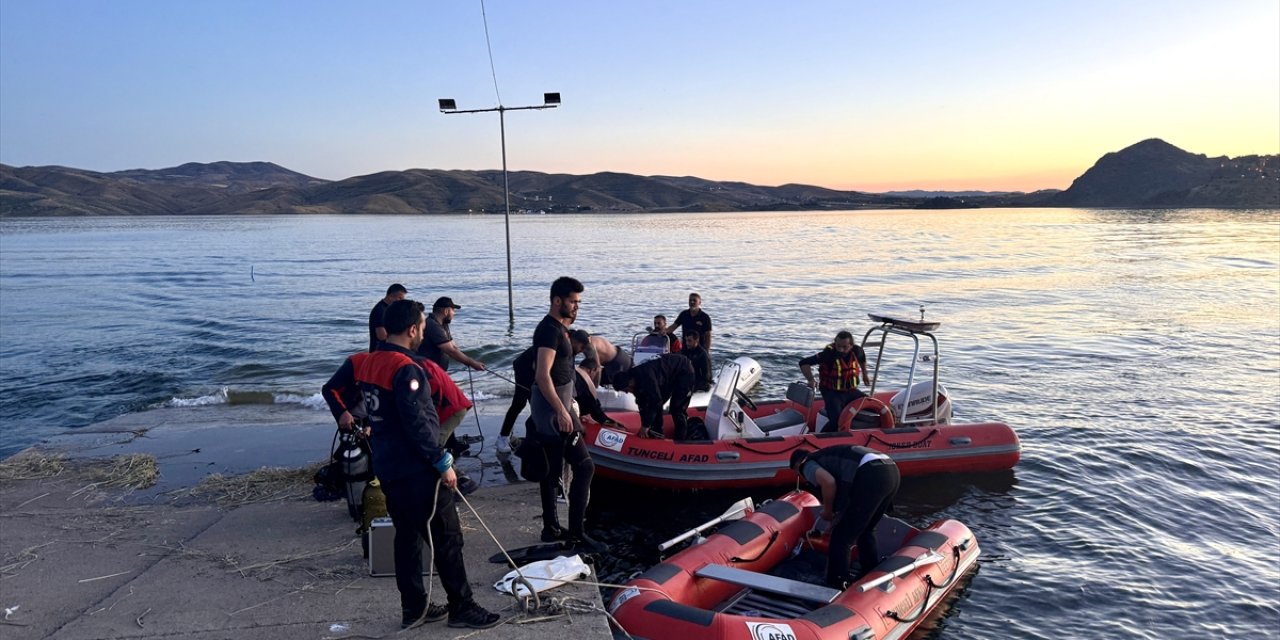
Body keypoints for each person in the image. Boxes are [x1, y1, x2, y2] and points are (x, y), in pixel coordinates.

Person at [322, 299, 499, 630]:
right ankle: (462, 607)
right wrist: (442, 461)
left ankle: (414, 608)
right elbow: (417, 422)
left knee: (407, 538)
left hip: (387, 465)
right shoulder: (407, 368)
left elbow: (340, 392)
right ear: (413, 329)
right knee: (447, 538)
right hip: (417, 469)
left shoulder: (366, 361)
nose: (423, 334)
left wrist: (347, 416)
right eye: (421, 327)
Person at [528, 277, 604, 552]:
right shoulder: (549, 331)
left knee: (551, 470)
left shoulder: (558, 329)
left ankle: (550, 527)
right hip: (553, 410)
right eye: (573, 302)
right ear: (557, 300)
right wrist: (562, 411)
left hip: (553, 405)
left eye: (579, 302)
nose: (576, 307)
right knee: (585, 467)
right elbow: (542, 374)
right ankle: (576, 535)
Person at [789, 446, 899, 589]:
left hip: (870, 473)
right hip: (890, 470)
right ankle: (869, 569)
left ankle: (837, 582)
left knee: (841, 539)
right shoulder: (831, 459)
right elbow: (847, 500)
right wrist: (833, 522)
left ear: (797, 465)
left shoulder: (807, 464)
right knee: (867, 529)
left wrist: (828, 512)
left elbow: (828, 483)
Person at [498, 332, 593, 454]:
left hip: (539, 372)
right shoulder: (560, 344)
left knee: (546, 405)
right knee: (521, 403)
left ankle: (534, 442)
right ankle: (503, 438)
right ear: (574, 341)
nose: (582, 351)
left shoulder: (570, 350)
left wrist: (575, 401)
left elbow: (570, 376)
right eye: (581, 347)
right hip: (526, 369)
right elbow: (542, 370)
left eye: (585, 349)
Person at [612, 353, 696, 440]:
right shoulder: (635, 380)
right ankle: (658, 432)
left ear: (630, 383)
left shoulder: (646, 378)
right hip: (667, 375)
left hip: (684, 371)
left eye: (626, 390)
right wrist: (644, 425)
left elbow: (656, 401)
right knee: (654, 404)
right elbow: (643, 405)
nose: (627, 392)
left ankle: (680, 440)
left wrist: (646, 425)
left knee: (676, 409)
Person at [799, 330, 871, 431]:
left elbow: (862, 358)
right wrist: (811, 379)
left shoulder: (857, 351)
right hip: (831, 392)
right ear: (835, 343)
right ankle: (820, 437)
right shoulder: (828, 354)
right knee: (836, 421)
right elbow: (803, 363)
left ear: (851, 346)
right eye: (838, 346)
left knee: (871, 404)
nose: (840, 350)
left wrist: (865, 374)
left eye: (844, 347)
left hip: (850, 391)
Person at [418, 297, 486, 372]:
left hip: (437, 371)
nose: (454, 313)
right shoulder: (433, 325)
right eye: (453, 310)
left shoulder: (443, 324)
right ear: (446, 311)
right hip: (428, 371)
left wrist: (469, 361)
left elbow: (453, 346)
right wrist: (472, 363)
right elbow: (451, 350)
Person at [497, 345, 537, 454]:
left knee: (538, 406)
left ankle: (534, 439)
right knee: (520, 403)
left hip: (535, 367)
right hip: (524, 367)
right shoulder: (554, 342)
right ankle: (503, 437)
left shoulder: (568, 349)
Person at [369, 283, 407, 352]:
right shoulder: (380, 310)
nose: (401, 302)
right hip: (379, 351)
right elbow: (381, 336)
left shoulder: (389, 309)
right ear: (390, 297)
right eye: (400, 298)